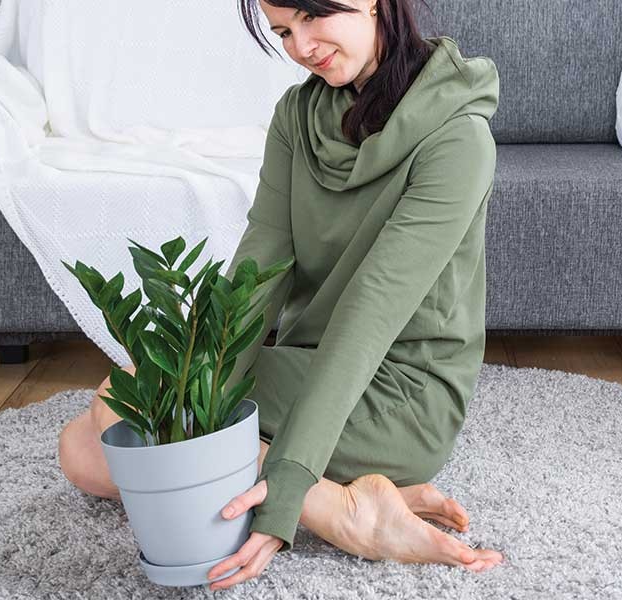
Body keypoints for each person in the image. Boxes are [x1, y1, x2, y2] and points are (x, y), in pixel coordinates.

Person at [57, 0, 504, 590]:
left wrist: (290, 478)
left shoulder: (459, 138)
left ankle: (341, 509)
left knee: (120, 407)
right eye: (283, 31)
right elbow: (256, 270)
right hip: (306, 366)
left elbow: (368, 316)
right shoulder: (298, 116)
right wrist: (203, 390)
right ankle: (343, 504)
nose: (301, 46)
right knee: (86, 452)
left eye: (313, 16)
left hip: (398, 395)